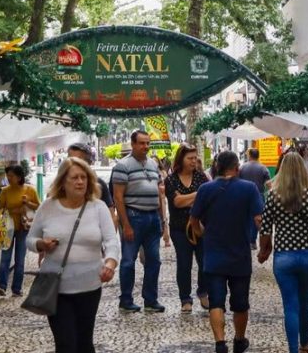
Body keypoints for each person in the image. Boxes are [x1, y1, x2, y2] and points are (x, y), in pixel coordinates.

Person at [27, 158, 119, 353]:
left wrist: (110, 264)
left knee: (83, 339)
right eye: (74, 177)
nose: (80, 182)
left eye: (84, 177)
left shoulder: (98, 207)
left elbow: (112, 241)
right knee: (64, 341)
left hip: (89, 284)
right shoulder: (48, 208)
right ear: (63, 182)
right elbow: (30, 240)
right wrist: (41, 244)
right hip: (57, 286)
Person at [257, 151, 308, 353]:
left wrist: (264, 251)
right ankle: (304, 346)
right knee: (305, 303)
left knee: (290, 305)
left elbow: (265, 228)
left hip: (284, 257)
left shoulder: (275, 195)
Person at [190, 151, 263, 353]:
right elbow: (259, 218)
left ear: (217, 167)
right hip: (239, 255)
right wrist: (265, 245)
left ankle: (220, 347)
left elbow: (193, 218)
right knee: (240, 303)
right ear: (236, 167)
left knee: (216, 302)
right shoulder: (249, 189)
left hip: (213, 254)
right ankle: (239, 341)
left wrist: (201, 232)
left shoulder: (205, 189)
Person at [111, 130, 169, 313]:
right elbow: (118, 197)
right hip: (133, 217)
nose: (145, 147)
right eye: (142, 143)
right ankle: (126, 300)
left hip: (152, 218)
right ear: (133, 144)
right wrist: (125, 224)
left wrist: (162, 220)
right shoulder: (123, 166)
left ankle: (150, 300)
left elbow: (159, 193)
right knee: (128, 260)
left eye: (147, 143)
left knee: (154, 260)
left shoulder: (152, 164)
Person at [164, 144, 209, 313]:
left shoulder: (201, 177)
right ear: (181, 159)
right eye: (189, 158)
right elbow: (177, 202)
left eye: (195, 158)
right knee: (184, 263)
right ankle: (185, 298)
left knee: (204, 261)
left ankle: (203, 292)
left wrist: (187, 198)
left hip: (201, 226)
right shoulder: (171, 179)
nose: (193, 161)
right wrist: (198, 195)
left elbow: (206, 198)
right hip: (179, 228)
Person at [0, 164, 40, 297]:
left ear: (19, 177)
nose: (9, 178)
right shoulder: (5, 191)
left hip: (23, 228)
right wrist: (14, 211)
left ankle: (17, 288)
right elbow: (0, 210)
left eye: (11, 176)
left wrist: (27, 203)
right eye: (7, 175)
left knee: (20, 260)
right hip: (9, 228)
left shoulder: (30, 190)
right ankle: (2, 286)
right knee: (5, 258)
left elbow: (38, 206)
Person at [68, 142, 117, 228]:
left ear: (89, 163)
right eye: (70, 160)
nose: (72, 164)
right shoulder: (59, 184)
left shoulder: (99, 184)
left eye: (78, 161)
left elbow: (111, 216)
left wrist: (110, 239)